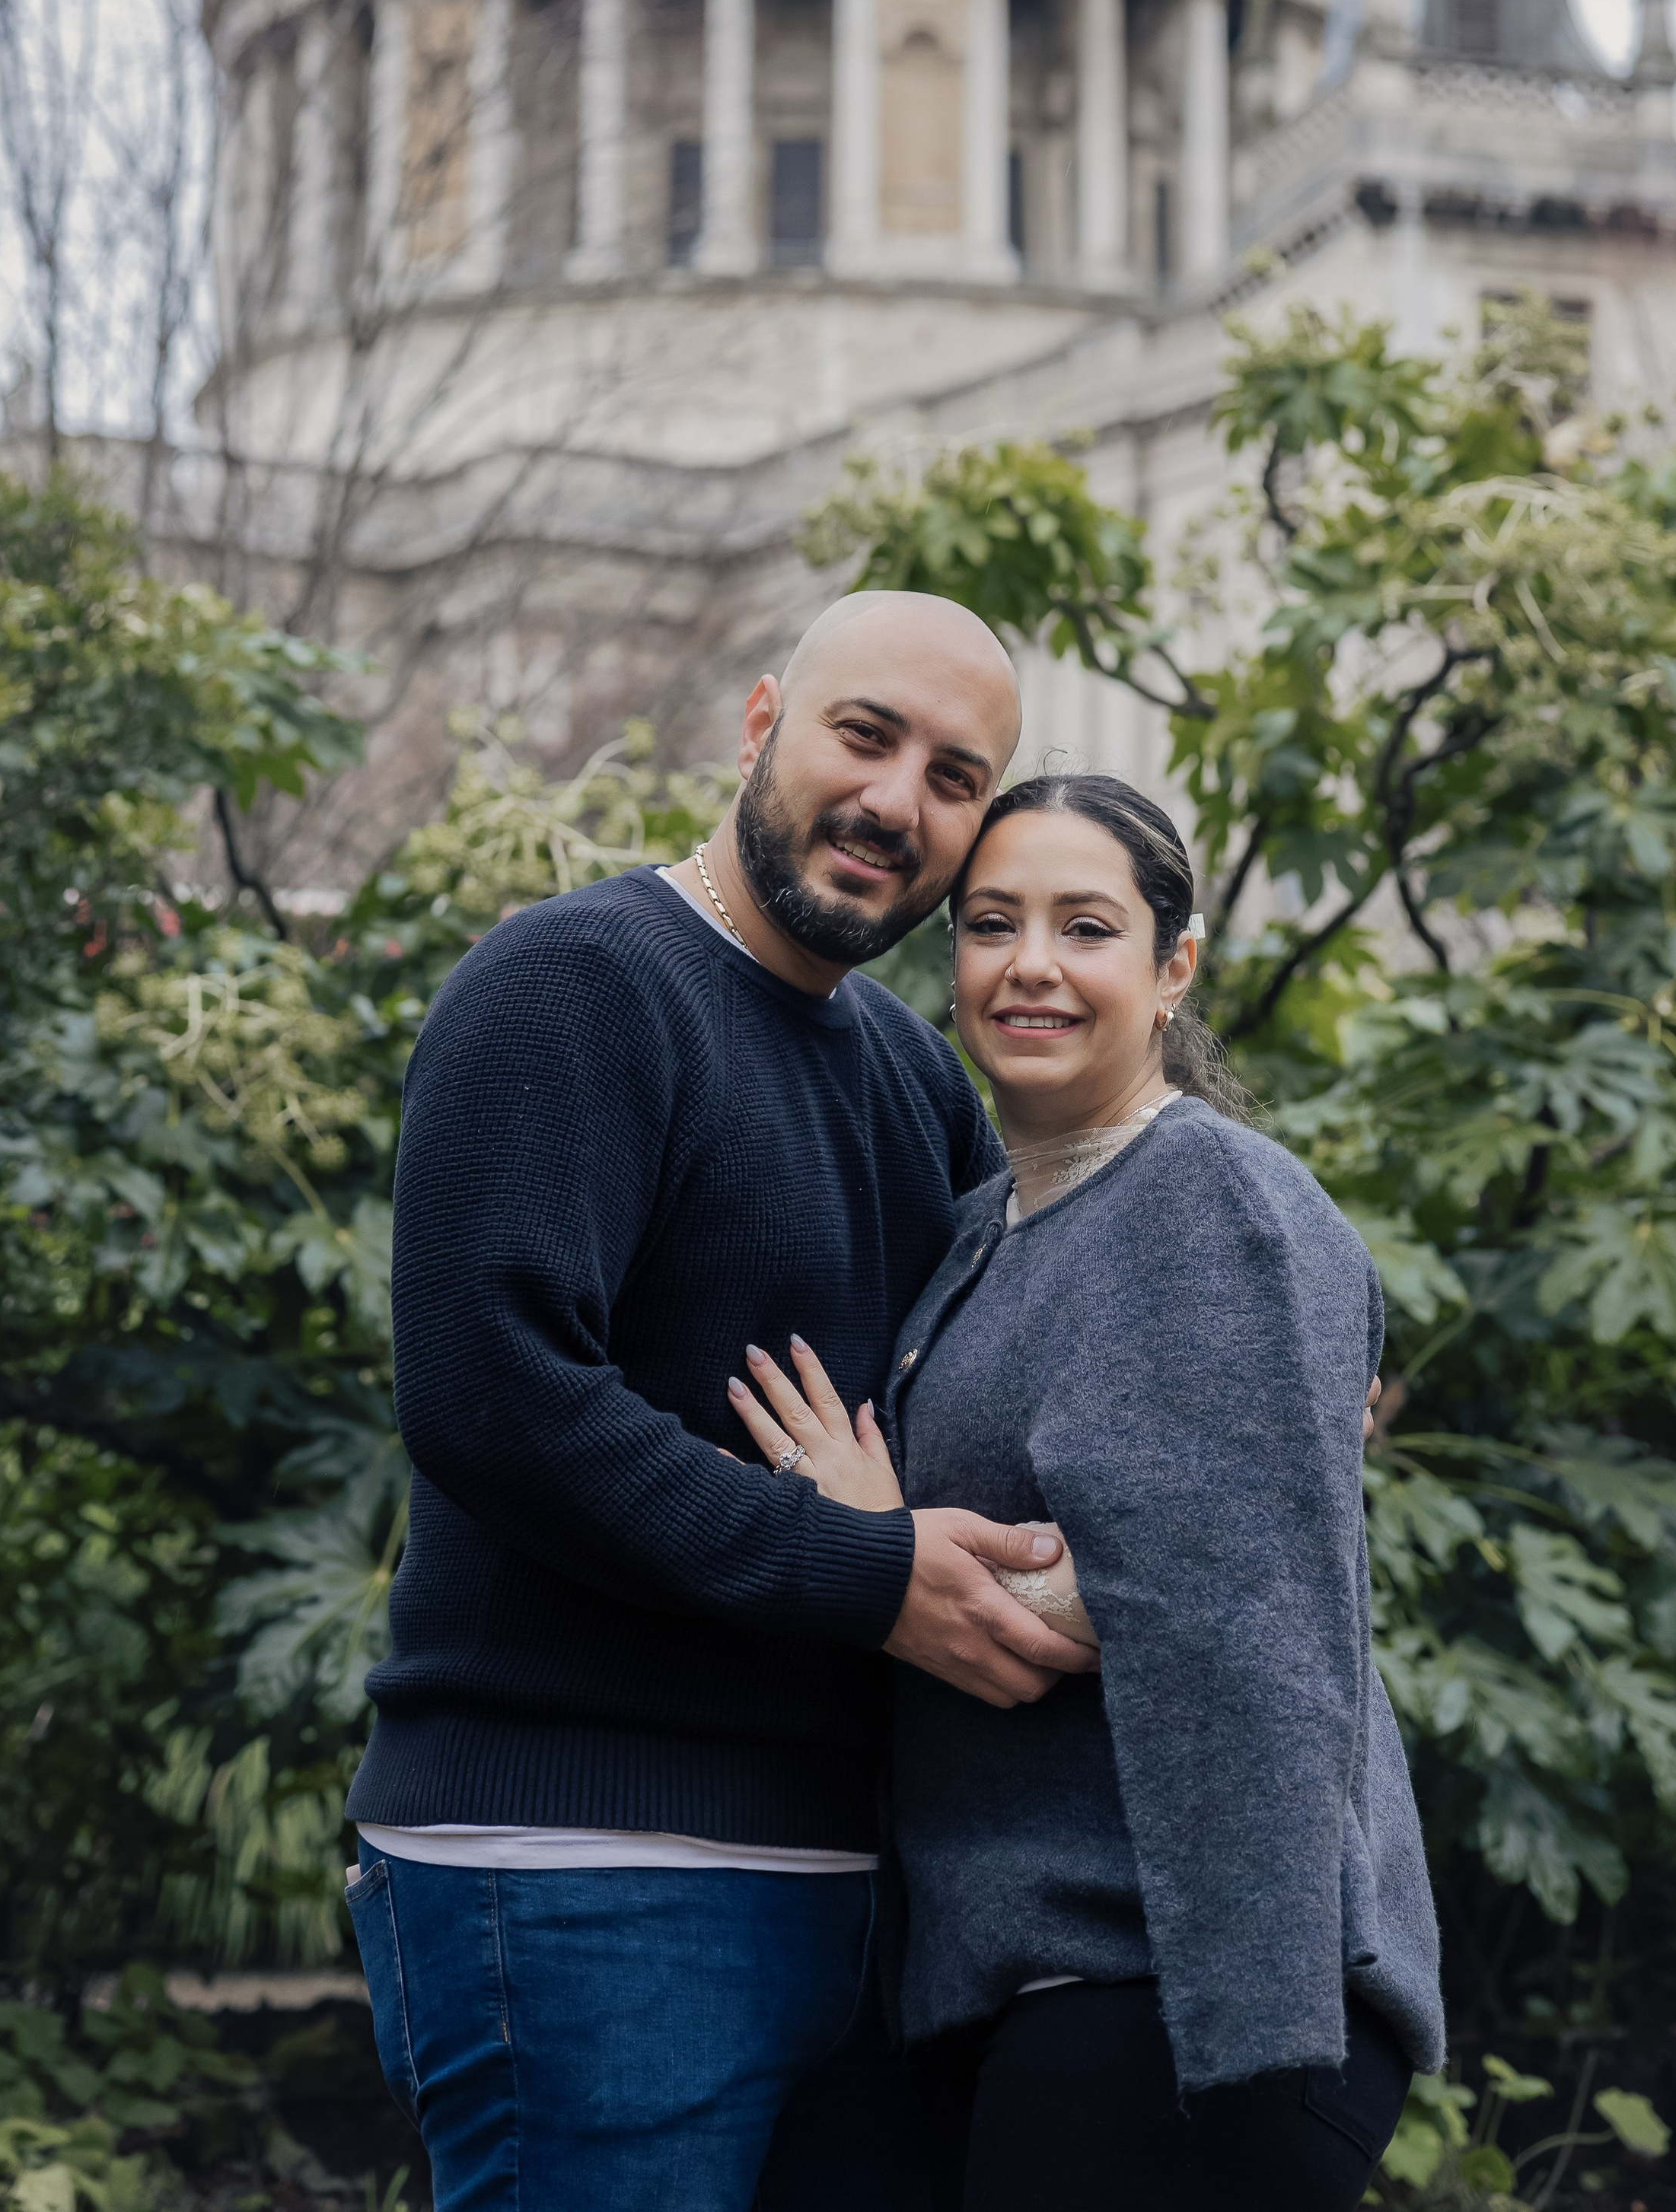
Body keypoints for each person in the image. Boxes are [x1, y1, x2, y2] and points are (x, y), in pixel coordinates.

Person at [343, 597, 1100, 2212]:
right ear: (759, 723)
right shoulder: (572, 985)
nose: (899, 802)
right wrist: (864, 1567)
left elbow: (1030, 1359)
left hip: (857, 1884)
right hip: (576, 1866)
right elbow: (494, 1394)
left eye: (955, 777)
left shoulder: (907, 1079)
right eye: (864, 736)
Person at [728, 772, 1447, 2212]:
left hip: (1191, 1992)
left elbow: (1214, 1579)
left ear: (1172, 967)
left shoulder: (1214, 1195)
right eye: (992, 923)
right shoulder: (983, 1227)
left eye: (1086, 924)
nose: (1031, 963)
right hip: (1037, 1982)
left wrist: (872, 1546)